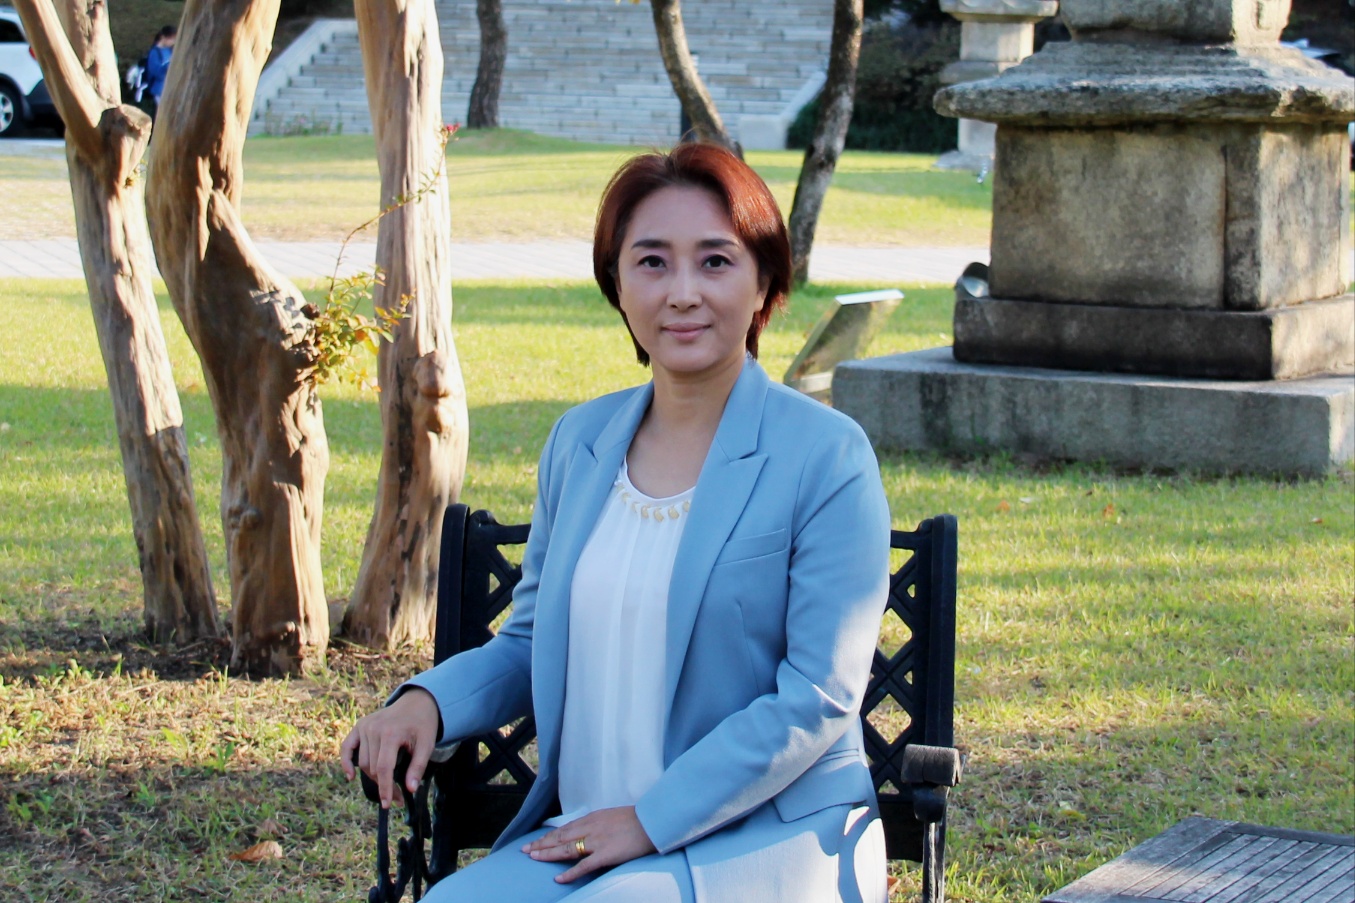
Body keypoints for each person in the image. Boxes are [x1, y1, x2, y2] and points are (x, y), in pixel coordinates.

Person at [341, 143, 892, 903]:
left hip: (769, 836)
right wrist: (425, 701)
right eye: (652, 262)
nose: (683, 293)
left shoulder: (826, 454)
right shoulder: (580, 442)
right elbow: (531, 643)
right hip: (587, 833)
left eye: (715, 261)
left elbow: (818, 695)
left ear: (764, 281)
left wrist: (648, 819)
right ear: (618, 285)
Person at [142, 26, 176, 120]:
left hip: (169, 88)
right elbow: (154, 71)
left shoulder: (169, 51)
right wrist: (167, 68)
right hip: (159, 89)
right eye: (172, 39)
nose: (173, 42)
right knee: (162, 115)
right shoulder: (154, 53)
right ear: (163, 37)